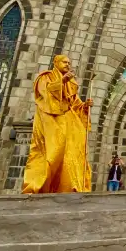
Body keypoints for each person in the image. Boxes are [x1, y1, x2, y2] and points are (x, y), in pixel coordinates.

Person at [22, 55, 93, 193]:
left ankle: (71, 186)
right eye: (64, 62)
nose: (67, 64)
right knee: (53, 154)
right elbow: (46, 94)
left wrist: (85, 106)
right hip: (52, 122)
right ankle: (44, 187)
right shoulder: (46, 77)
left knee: (72, 154)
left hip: (68, 122)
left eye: (69, 62)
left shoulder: (71, 83)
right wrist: (63, 81)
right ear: (56, 63)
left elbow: (74, 103)